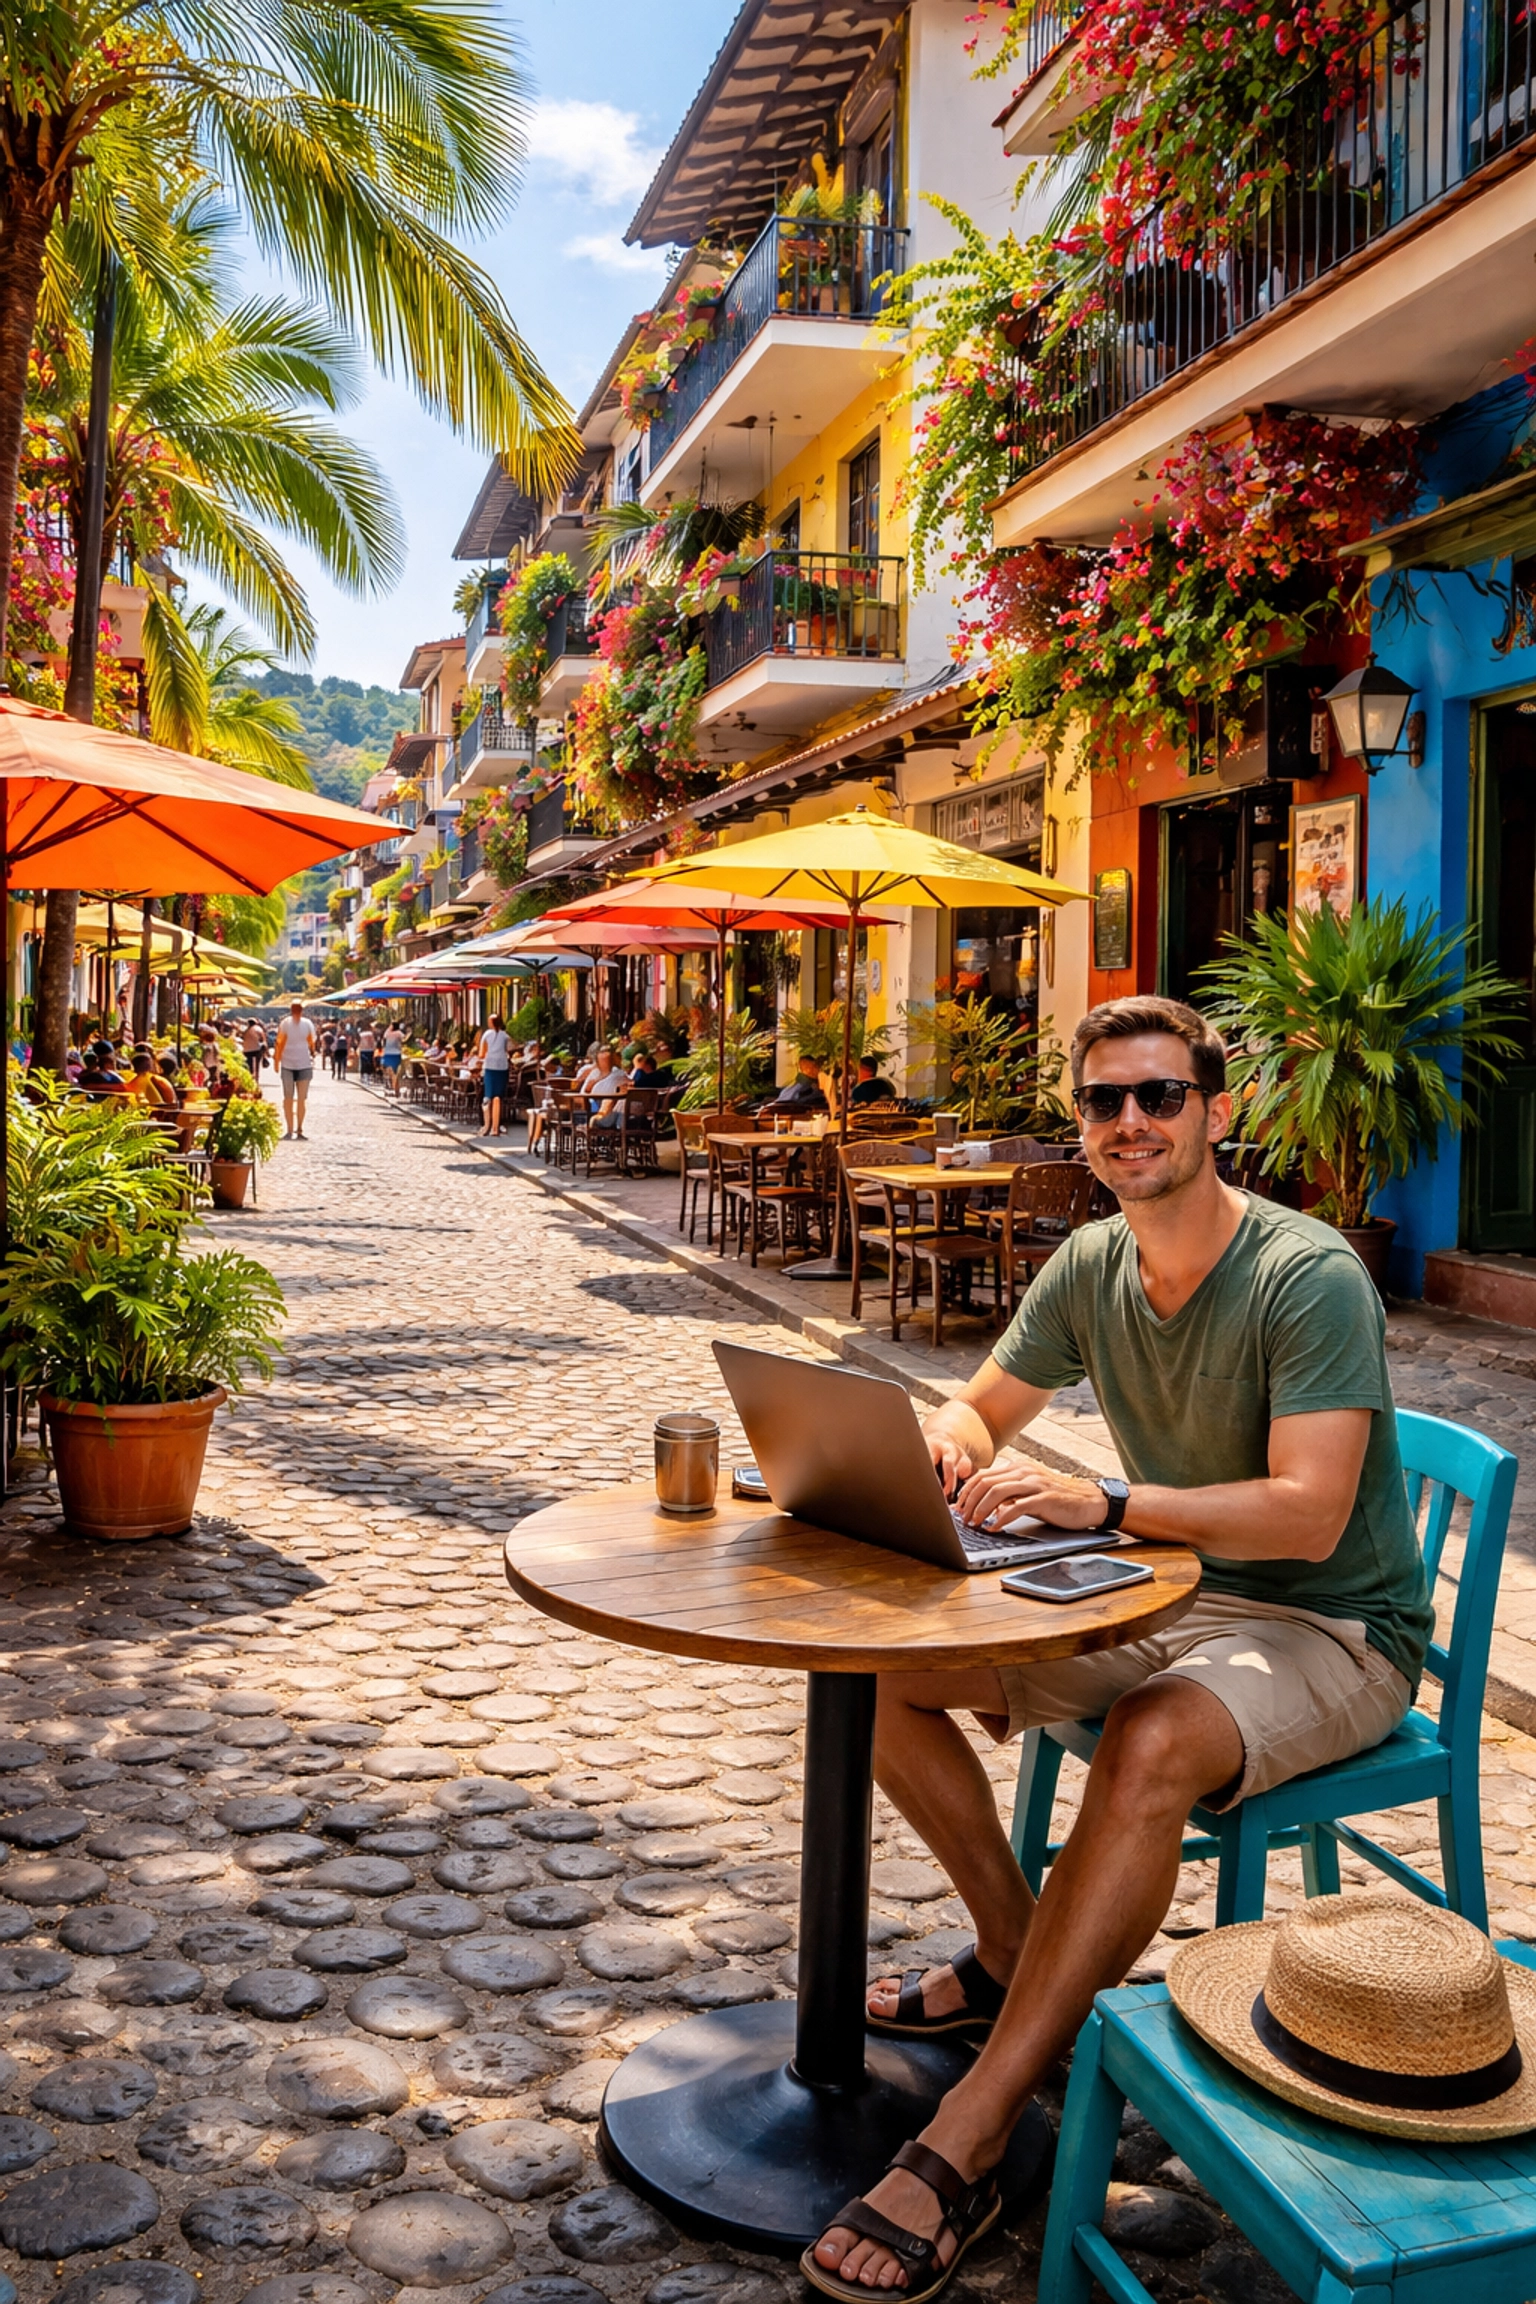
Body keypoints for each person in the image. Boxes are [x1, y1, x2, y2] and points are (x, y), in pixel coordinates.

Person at [804, 994, 1433, 2302]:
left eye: (1159, 1095)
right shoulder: (1092, 1262)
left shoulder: (1307, 1272)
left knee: (1152, 1740)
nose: (1130, 1120)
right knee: (875, 1674)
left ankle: (978, 2125)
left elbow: (1310, 1513)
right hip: (1167, 1594)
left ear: (1216, 1111)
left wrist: (1100, 1502)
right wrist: (946, 1453)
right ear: (1081, 1121)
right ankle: (1018, 1954)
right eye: (1104, 1100)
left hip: (1332, 1626)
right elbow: (981, 1409)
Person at [272, 1000, 318, 1140]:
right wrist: (277, 1061)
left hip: (301, 1064)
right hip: (291, 1064)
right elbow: (280, 1043)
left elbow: (279, 1043)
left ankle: (296, 1129)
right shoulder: (289, 1024)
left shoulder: (301, 1024)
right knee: (291, 1099)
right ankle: (292, 1129)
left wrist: (277, 1061)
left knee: (298, 1099)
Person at [478, 1015, 512, 1138]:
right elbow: (511, 1049)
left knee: (487, 1098)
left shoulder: (486, 1035)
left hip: (490, 1067)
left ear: (491, 1023)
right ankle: (495, 1128)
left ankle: (486, 1126)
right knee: (498, 1098)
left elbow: (481, 1054)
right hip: (502, 1067)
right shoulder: (505, 1036)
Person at [586, 1044, 630, 1129]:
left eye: (607, 1053)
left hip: (604, 1112)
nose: (604, 1056)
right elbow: (584, 1092)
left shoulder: (618, 1075)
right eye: (602, 1053)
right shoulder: (594, 1074)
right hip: (595, 1107)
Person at [381, 1019, 405, 1096]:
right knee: (396, 1073)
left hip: (387, 1053)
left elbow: (384, 1040)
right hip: (396, 1054)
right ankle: (396, 1089)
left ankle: (390, 1087)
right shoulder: (399, 1033)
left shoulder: (387, 1032)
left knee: (388, 1072)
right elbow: (404, 1039)